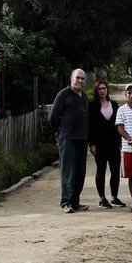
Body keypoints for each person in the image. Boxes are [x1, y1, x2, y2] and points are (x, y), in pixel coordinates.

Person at [49, 68, 89, 213]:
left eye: (82, 79)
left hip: (82, 139)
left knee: (80, 172)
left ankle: (75, 202)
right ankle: (66, 203)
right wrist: (57, 133)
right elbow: (53, 117)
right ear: (71, 79)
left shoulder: (83, 96)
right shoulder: (63, 95)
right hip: (68, 138)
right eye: (77, 78)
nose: (79, 81)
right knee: (68, 172)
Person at [88, 80, 126, 208]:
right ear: (96, 91)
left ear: (107, 90)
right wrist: (91, 144)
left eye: (104, 88)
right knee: (101, 170)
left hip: (114, 143)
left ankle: (114, 197)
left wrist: (121, 140)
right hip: (99, 144)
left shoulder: (114, 105)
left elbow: (119, 124)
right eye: (100, 89)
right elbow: (90, 127)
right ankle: (102, 198)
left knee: (115, 171)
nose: (102, 91)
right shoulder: (92, 106)